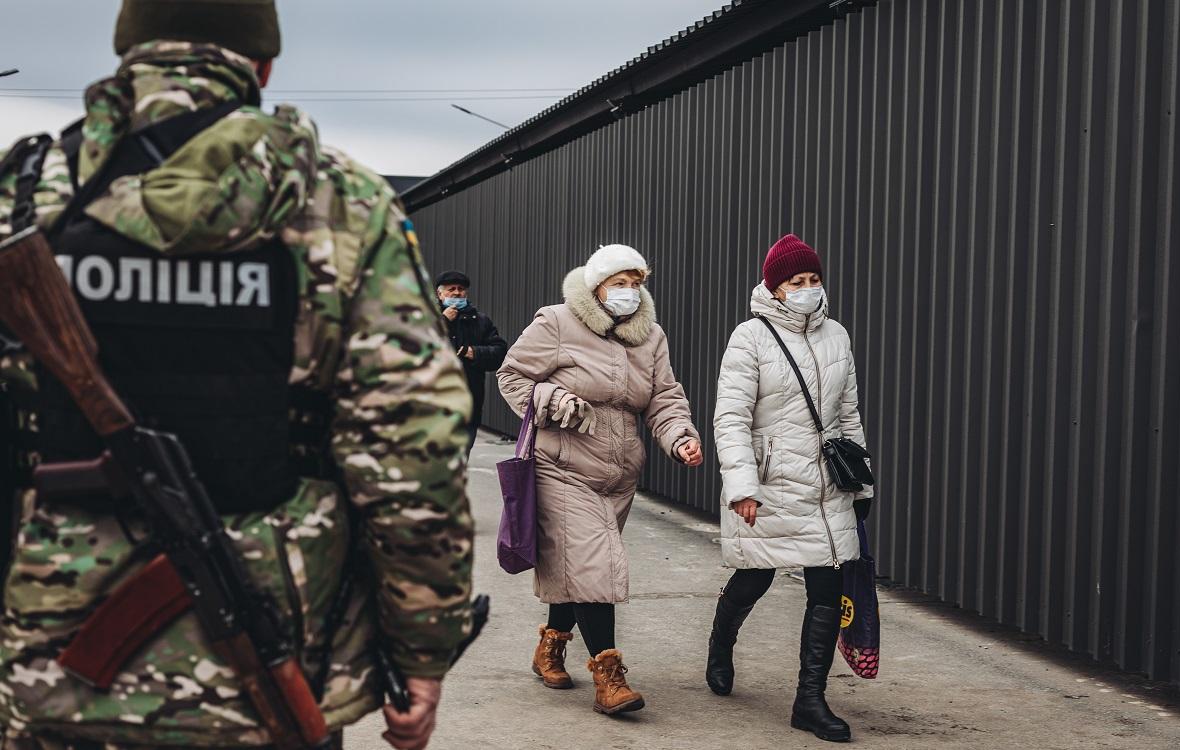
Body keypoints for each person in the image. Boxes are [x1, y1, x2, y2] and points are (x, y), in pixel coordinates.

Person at [0, 2, 473, 748]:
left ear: (129, 52)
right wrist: (422, 651)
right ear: (262, 65)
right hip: (272, 665)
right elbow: (414, 452)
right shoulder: (341, 205)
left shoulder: (26, 195)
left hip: (43, 670)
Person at [496, 243, 703, 716]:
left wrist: (679, 437)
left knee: (578, 567)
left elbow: (665, 398)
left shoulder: (650, 337)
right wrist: (553, 400)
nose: (629, 293)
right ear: (596, 287)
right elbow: (512, 377)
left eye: (637, 284)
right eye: (619, 284)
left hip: (619, 475)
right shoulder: (556, 321)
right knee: (595, 566)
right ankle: (609, 676)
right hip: (561, 467)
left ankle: (550, 645)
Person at [707, 234, 874, 744]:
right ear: (774, 288)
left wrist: (861, 481)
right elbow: (731, 418)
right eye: (795, 282)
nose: (807, 288)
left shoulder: (837, 335)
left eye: (813, 279)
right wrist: (741, 486)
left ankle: (810, 699)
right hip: (770, 480)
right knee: (755, 576)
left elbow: (847, 414)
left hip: (826, 483)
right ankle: (720, 645)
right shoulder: (749, 337)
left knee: (827, 587)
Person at [435, 270, 509, 453]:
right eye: (451, 289)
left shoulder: (480, 321)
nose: (457, 293)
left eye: (461, 289)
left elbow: (499, 352)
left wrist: (473, 352)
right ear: (439, 294)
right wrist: (443, 320)